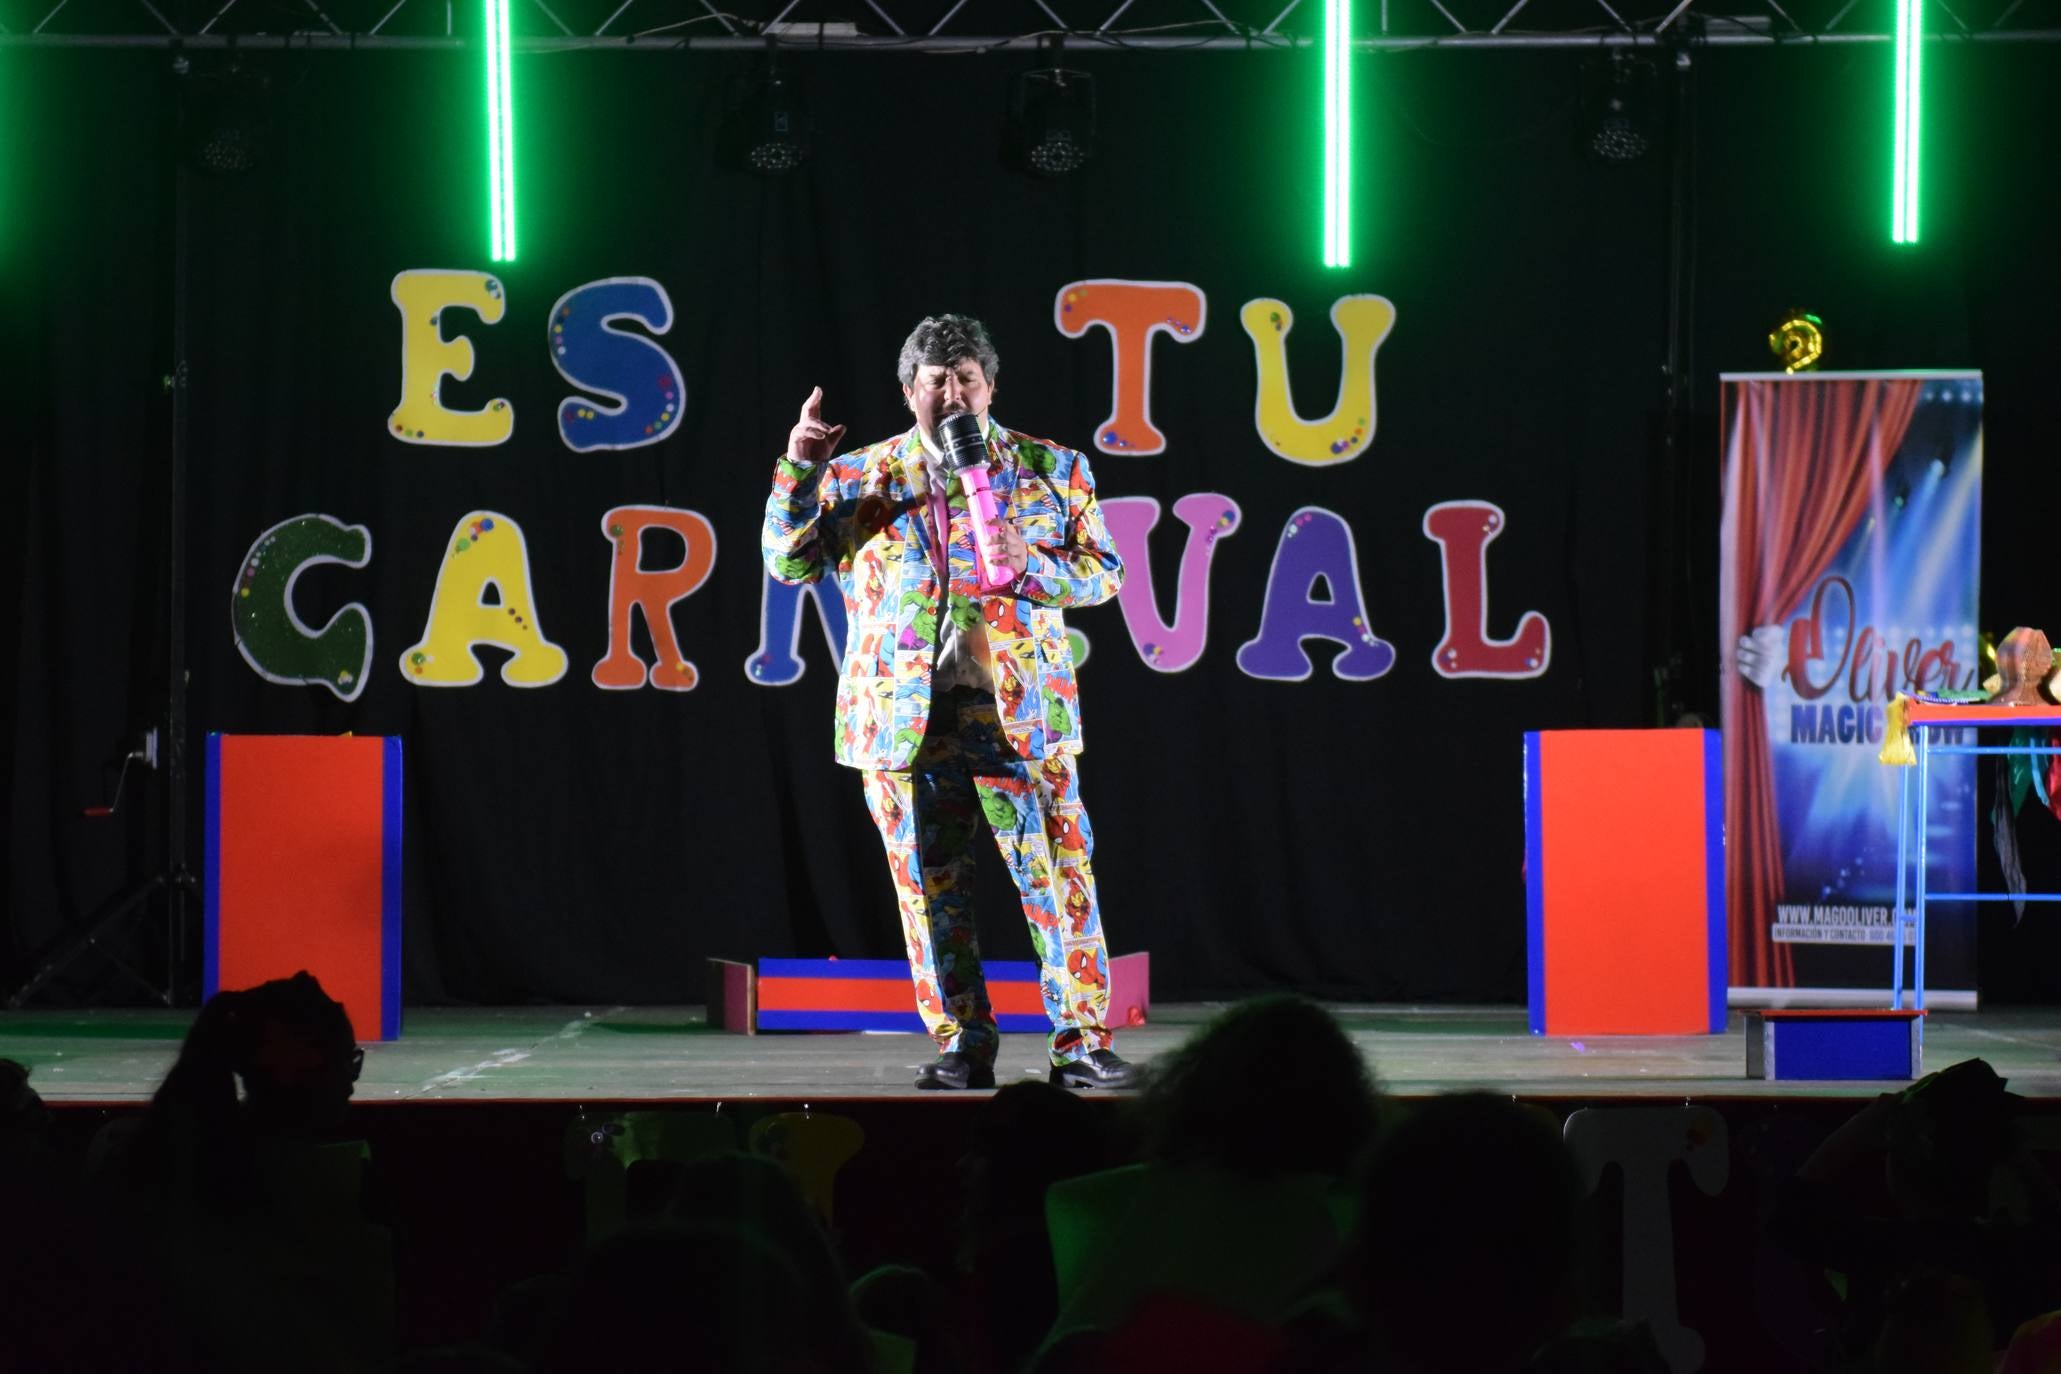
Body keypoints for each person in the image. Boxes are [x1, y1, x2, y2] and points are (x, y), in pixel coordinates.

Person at [762, 313, 1133, 1091]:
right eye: (936, 380)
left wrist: (1030, 562)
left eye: (967, 378)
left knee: (1059, 877)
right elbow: (791, 566)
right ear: (909, 393)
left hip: (1016, 712)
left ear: (990, 386)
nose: (953, 393)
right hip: (905, 718)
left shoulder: (1047, 468)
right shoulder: (862, 476)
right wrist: (799, 472)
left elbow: (1103, 573)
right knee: (930, 893)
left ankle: (1081, 1043)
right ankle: (963, 1042)